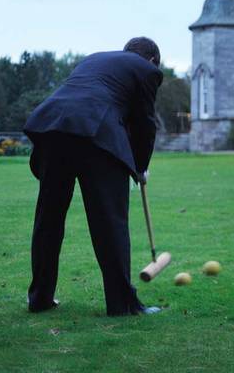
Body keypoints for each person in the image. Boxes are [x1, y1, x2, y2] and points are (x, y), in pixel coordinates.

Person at [24, 37, 164, 315]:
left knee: (48, 219)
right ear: (151, 60)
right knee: (109, 222)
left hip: (53, 129)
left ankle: (39, 299)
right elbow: (144, 123)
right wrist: (141, 166)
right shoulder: (147, 70)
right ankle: (122, 304)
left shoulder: (94, 59)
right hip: (96, 134)